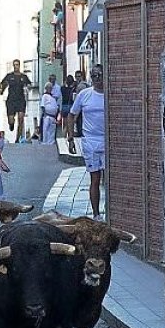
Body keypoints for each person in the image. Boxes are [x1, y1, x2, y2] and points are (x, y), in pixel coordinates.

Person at [66, 66, 106, 219]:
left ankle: (111, 211)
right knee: (95, 178)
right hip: (90, 142)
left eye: (100, 75)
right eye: (94, 75)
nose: (97, 78)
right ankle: (96, 214)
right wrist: (71, 138)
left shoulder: (110, 95)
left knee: (109, 179)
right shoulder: (84, 95)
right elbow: (71, 115)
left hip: (108, 141)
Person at [0, 59, 32, 143]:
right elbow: (3, 84)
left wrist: (28, 88)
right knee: (11, 119)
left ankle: (18, 138)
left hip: (20, 100)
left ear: (19, 65)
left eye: (17, 64)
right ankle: (11, 124)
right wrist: (2, 89)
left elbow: (29, 85)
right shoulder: (9, 76)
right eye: (14, 65)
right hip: (11, 100)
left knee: (21, 119)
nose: (16, 66)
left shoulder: (23, 76)